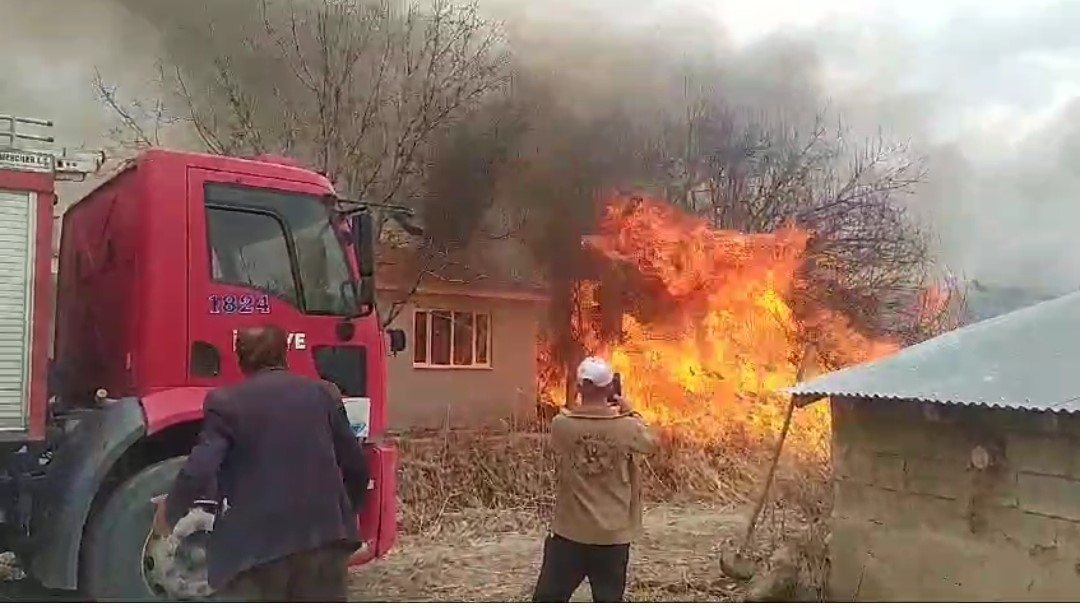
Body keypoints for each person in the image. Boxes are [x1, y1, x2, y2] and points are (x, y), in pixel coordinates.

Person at [153, 324, 370, 601]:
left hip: (258, 549)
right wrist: (344, 514)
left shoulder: (226, 402)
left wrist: (170, 512)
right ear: (286, 352)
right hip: (324, 540)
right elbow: (356, 466)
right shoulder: (322, 394)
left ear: (240, 358)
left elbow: (200, 470)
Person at [532, 356, 658, 603]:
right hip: (612, 537)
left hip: (569, 535)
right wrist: (630, 409)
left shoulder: (561, 425)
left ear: (578, 388)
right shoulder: (628, 427)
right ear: (611, 388)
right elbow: (652, 443)